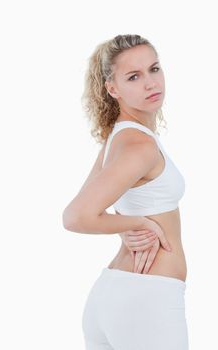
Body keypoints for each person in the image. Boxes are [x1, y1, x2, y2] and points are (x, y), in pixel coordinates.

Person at [62, 34, 189, 350]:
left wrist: (126, 225)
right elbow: (76, 216)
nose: (150, 83)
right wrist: (138, 224)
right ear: (112, 88)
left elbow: (97, 204)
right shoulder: (139, 145)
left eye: (154, 69)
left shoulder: (119, 138)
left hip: (114, 295)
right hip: (147, 302)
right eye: (134, 76)